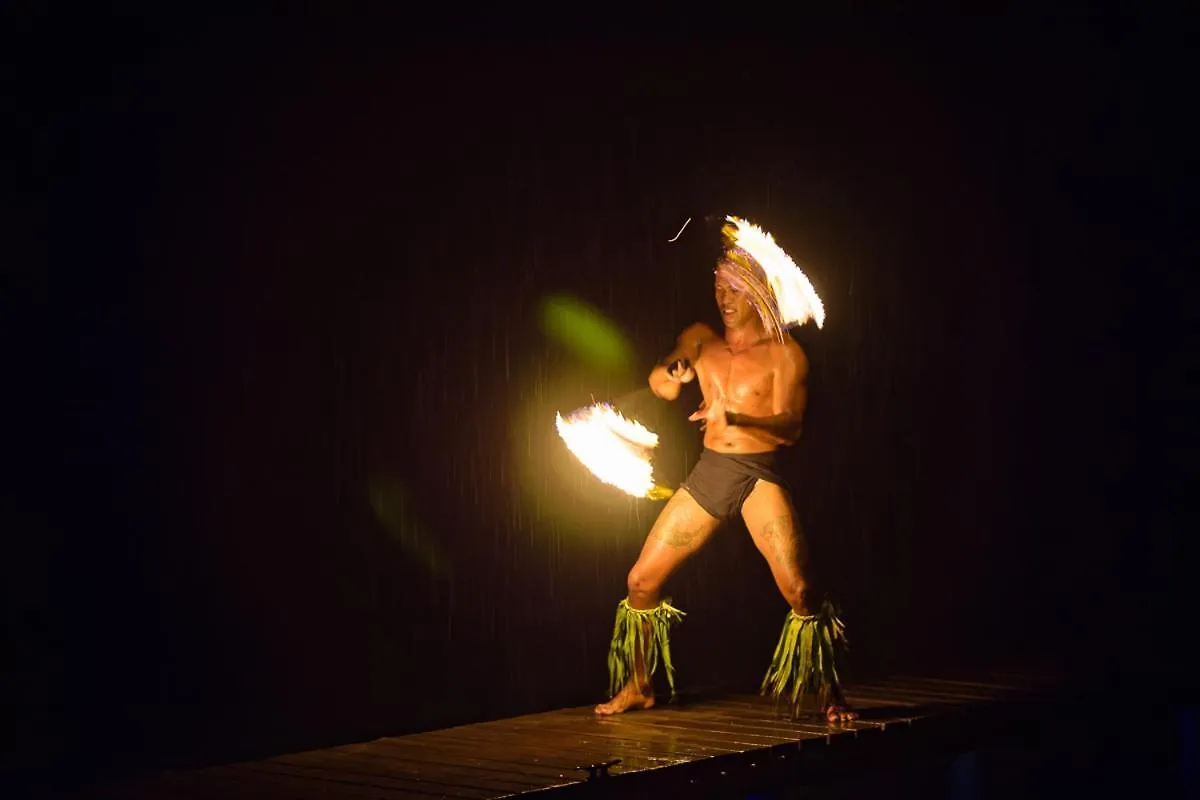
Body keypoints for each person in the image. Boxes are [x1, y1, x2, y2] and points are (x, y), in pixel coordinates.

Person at [594, 249, 857, 723]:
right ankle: (639, 685)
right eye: (718, 287)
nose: (724, 297)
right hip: (712, 472)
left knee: (800, 591)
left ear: (758, 291)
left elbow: (791, 427)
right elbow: (662, 384)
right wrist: (671, 374)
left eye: (734, 289)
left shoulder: (786, 355)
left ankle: (830, 692)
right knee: (640, 581)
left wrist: (733, 414)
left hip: (759, 475)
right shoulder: (700, 339)